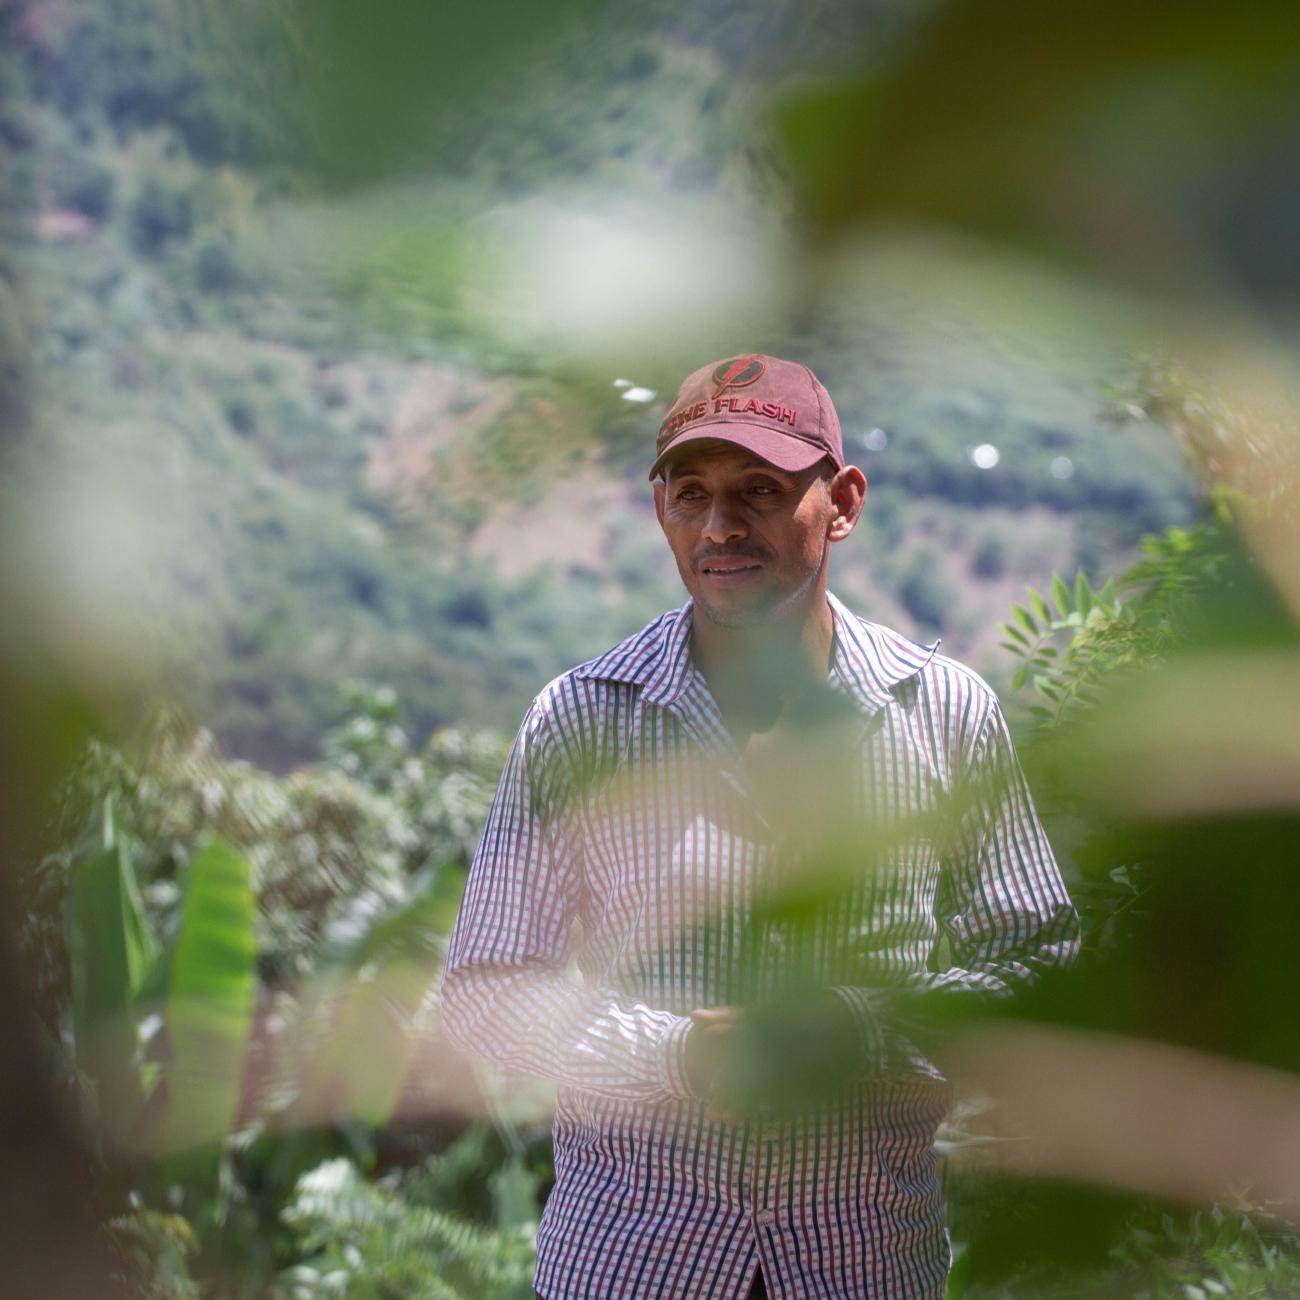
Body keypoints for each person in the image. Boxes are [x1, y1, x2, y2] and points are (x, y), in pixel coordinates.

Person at [441, 354, 1079, 1299]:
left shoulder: (945, 714)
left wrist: (864, 1032)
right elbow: (488, 990)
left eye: (761, 490)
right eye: (689, 493)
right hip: (631, 1265)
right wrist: (675, 1055)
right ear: (658, 507)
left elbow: (1038, 962)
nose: (720, 526)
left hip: (862, 1265)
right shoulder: (580, 720)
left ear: (844, 502)